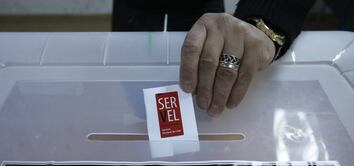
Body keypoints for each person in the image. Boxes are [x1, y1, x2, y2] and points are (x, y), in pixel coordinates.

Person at [112, 0, 315, 117]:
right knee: (139, 106)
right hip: (132, 14)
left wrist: (266, 22)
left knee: (210, 107)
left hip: (202, 8)